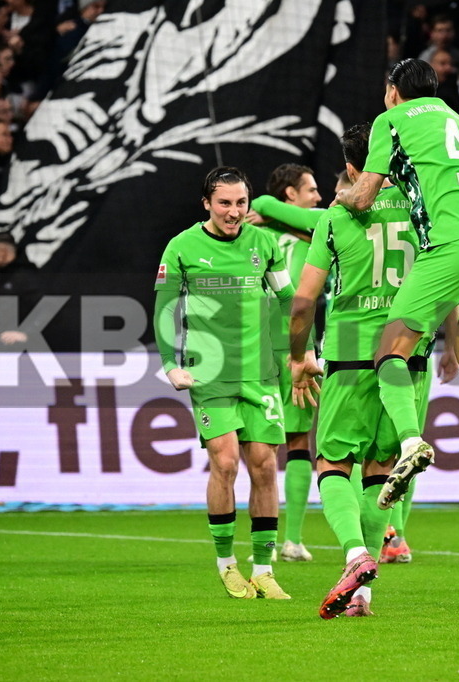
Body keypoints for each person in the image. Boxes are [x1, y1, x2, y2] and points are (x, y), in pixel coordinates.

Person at [330, 58, 459, 521]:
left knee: (389, 350)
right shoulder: (457, 119)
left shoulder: (389, 120)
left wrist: (342, 198)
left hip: (453, 246)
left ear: (394, 90)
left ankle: (412, 441)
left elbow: (366, 195)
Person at [289, 122, 435, 617]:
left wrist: (297, 358)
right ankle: (363, 597)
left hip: (352, 356)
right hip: (412, 356)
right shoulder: (423, 211)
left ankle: (354, 556)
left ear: (353, 166)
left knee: (331, 464)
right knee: (380, 473)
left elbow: (304, 301)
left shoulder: (337, 216)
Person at [154, 166, 293, 601]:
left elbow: (288, 300)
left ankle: (265, 569)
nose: (234, 212)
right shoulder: (182, 247)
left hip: (261, 373)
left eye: (240, 203)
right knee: (227, 462)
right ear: (207, 205)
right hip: (209, 372)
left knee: (265, 466)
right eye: (225, 203)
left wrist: (297, 351)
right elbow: (164, 309)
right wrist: (169, 364)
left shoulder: (265, 244)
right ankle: (226, 563)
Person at [245, 163, 321, 563]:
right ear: (289, 195)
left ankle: (274, 541)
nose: (319, 196)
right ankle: (285, 539)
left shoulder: (255, 232)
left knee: (270, 443)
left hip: (266, 345)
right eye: (310, 189)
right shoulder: (312, 233)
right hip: (287, 344)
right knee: (290, 443)